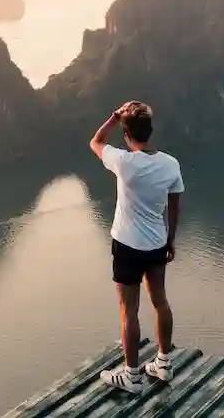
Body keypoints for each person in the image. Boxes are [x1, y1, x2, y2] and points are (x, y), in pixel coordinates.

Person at [89, 100, 184, 393]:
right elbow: (174, 203)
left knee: (128, 310)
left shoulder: (123, 162)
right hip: (157, 244)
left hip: (127, 246)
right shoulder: (170, 164)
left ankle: (131, 375)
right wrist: (170, 240)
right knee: (160, 301)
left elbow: (96, 141)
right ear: (151, 131)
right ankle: (164, 364)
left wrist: (114, 117)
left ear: (126, 134)